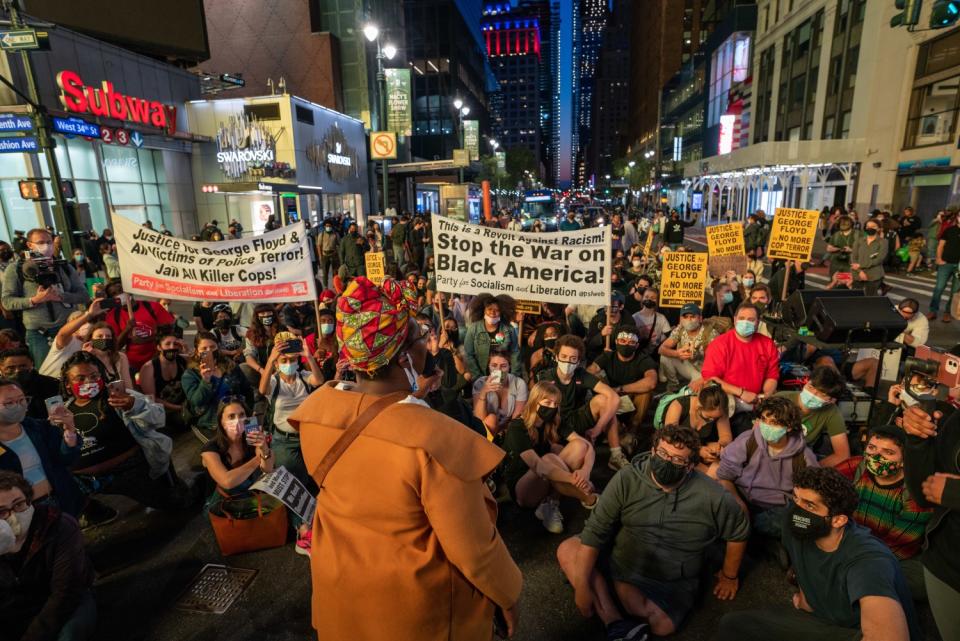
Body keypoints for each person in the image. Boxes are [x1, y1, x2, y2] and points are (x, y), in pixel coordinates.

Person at [287, 277, 522, 640]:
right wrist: (508, 593)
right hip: (414, 615)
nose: (427, 345)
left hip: (343, 600)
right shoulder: (433, 439)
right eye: (418, 338)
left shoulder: (317, 414)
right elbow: (473, 549)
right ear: (402, 355)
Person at [557, 425, 750, 638]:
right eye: (663, 453)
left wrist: (729, 576)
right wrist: (582, 586)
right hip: (624, 559)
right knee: (567, 550)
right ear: (652, 451)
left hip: (671, 576)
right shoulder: (627, 478)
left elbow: (738, 531)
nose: (667, 461)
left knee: (662, 626)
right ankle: (615, 623)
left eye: (677, 460)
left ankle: (605, 591)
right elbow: (596, 529)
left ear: (690, 467)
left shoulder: (713, 496)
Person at [716, 467, 922, 641]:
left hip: (855, 632)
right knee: (732, 625)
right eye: (796, 499)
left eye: (810, 505)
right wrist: (806, 595)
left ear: (839, 520)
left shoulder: (868, 560)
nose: (797, 510)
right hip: (820, 614)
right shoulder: (795, 523)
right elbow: (801, 562)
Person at [62, 351, 184, 517]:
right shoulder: (63, 411)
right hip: (86, 481)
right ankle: (95, 513)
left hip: (129, 471)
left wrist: (134, 405)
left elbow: (158, 417)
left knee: (177, 505)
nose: (89, 382)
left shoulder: (119, 396)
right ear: (68, 384)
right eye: (80, 378)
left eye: (94, 375)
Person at [835, 424, 933, 600]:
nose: (876, 456)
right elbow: (821, 489)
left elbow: (900, 543)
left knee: (918, 582)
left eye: (888, 452)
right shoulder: (857, 466)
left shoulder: (916, 492)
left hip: (890, 555)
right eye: (872, 448)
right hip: (845, 541)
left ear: (904, 460)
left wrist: (852, 557)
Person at [0, 470, 97, 641]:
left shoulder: (58, 526)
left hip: (62, 603)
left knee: (70, 634)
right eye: (1, 512)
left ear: (30, 501)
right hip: (15, 611)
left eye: (19, 505)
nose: (12, 517)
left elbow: (66, 591)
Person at [502, 381, 598, 534]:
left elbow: (587, 446)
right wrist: (575, 480)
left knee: (578, 446)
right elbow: (538, 466)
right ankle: (591, 501)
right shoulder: (517, 427)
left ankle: (550, 503)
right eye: (547, 402)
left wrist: (585, 472)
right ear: (534, 401)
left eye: (555, 404)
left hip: (547, 477)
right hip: (523, 489)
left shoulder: (553, 421)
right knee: (549, 458)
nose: (552, 407)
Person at [714, 396, 818, 537]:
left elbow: (812, 492)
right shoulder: (748, 440)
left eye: (774, 423)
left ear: (789, 427)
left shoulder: (803, 456)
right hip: (743, 498)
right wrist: (738, 503)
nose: (767, 426)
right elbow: (724, 477)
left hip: (778, 509)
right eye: (764, 419)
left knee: (797, 523)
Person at [901, 404, 960, 640]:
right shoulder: (955, 421)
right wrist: (917, 438)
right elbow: (924, 493)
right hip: (945, 567)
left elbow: (948, 490)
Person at [2, 228, 90, 365]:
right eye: (41, 242)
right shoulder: (16, 269)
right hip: (39, 334)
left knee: (78, 367)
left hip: (69, 327)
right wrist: (34, 300)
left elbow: (84, 295)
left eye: (49, 242)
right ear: (29, 245)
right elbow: (7, 301)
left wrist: (62, 296)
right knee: (46, 373)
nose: (46, 246)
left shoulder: (63, 266)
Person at [0, 379, 86, 517]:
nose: (19, 406)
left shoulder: (40, 428)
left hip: (63, 502)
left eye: (22, 400)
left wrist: (69, 429)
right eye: (9, 403)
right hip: (22, 514)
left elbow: (66, 459)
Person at [695, 303, 779, 425]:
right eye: (741, 318)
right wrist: (741, 393)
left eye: (751, 320)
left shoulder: (767, 344)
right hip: (726, 400)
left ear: (758, 322)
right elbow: (711, 378)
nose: (745, 322)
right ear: (734, 320)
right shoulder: (720, 344)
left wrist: (766, 396)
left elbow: (772, 375)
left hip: (756, 401)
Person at [587, 327, 658, 470]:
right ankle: (619, 434)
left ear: (637, 345)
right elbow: (589, 372)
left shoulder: (643, 358)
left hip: (631, 400)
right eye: (622, 340)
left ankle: (632, 431)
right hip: (610, 400)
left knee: (646, 394)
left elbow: (651, 381)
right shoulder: (608, 356)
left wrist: (620, 389)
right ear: (616, 341)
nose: (626, 344)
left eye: (630, 342)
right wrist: (605, 386)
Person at [258, 334, 322, 492]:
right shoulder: (274, 381)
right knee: (295, 480)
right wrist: (270, 360)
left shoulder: (304, 378)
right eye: (284, 361)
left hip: (307, 436)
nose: (289, 364)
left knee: (316, 474)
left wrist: (309, 357)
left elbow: (319, 381)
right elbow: (262, 389)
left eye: (292, 360)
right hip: (284, 441)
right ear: (277, 364)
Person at [538, 335, 619, 445]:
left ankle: (616, 454)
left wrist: (598, 428)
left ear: (578, 361)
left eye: (573, 358)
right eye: (564, 356)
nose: (567, 362)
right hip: (555, 420)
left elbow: (613, 397)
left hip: (578, 417)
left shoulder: (581, 374)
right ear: (556, 357)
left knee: (605, 400)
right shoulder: (546, 377)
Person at [199, 398, 273, 506]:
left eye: (242, 415)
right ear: (222, 422)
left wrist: (264, 447)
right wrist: (259, 458)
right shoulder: (210, 449)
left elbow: (268, 468)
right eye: (231, 416)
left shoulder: (251, 438)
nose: (238, 420)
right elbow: (227, 482)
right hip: (222, 503)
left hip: (248, 494)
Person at [182, 331, 253, 443]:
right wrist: (206, 381)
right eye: (204, 348)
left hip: (237, 417)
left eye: (212, 347)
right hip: (211, 424)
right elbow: (197, 401)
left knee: (253, 444)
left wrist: (249, 416)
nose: (209, 351)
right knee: (221, 451)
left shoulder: (231, 367)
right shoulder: (190, 374)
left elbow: (247, 391)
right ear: (197, 351)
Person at [776, 365, 850, 466]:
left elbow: (842, 455)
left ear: (832, 400)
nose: (812, 394)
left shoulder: (832, 412)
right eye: (810, 387)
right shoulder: (781, 399)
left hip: (802, 458)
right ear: (806, 382)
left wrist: (813, 469)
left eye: (821, 394)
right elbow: (757, 433)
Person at [100, 280, 176, 374]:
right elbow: (115, 346)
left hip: (158, 360)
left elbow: (170, 331)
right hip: (132, 365)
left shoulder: (153, 307)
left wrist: (148, 339)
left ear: (129, 290)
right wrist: (127, 329)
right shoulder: (113, 316)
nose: (119, 294)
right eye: (114, 293)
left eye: (121, 290)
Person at [851, 299, 928, 390]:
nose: (905, 318)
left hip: (903, 344)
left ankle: (905, 377)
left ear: (915, 314)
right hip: (882, 338)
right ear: (898, 309)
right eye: (903, 315)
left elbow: (918, 343)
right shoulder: (889, 311)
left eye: (907, 318)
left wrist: (899, 330)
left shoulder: (921, 319)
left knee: (915, 353)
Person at [661, 384, 733, 471]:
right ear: (699, 406)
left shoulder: (720, 410)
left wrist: (718, 447)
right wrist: (697, 450)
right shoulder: (678, 406)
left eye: (715, 418)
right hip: (676, 452)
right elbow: (669, 437)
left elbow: (726, 436)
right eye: (708, 417)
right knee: (712, 474)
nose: (712, 420)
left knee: (719, 471)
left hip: (700, 452)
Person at [137, 330, 188, 431]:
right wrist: (179, 408)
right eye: (167, 344)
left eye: (175, 344)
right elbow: (151, 399)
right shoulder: (149, 368)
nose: (172, 347)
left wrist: (186, 349)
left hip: (182, 406)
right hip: (161, 411)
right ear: (159, 347)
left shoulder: (182, 361)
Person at [658, 303, 715, 391]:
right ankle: (673, 387)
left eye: (692, 317)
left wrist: (697, 355)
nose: (689, 320)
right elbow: (661, 349)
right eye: (685, 317)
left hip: (703, 372)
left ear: (700, 318)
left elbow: (716, 362)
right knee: (665, 357)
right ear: (681, 319)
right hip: (687, 366)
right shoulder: (680, 329)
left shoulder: (710, 333)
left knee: (696, 391)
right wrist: (677, 353)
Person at [463, 293, 521, 378]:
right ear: (483, 310)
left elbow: (515, 353)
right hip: (481, 374)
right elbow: (468, 354)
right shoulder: (473, 329)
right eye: (489, 309)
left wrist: (513, 376)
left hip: (503, 375)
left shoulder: (510, 329)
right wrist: (478, 376)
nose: (493, 313)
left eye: (497, 310)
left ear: (501, 312)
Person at [472, 351, 528, 439]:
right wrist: (483, 393)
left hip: (508, 431)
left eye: (503, 366)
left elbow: (516, 420)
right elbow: (479, 421)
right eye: (494, 365)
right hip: (485, 433)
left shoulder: (519, 384)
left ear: (509, 367)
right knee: (491, 419)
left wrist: (504, 432)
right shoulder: (480, 383)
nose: (498, 370)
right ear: (488, 367)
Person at [1, 348, 60, 421]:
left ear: (31, 364)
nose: (17, 371)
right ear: (1, 367)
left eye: (22, 366)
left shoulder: (51, 384)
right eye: (11, 368)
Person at [850, 218, 887, 297]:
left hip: (874, 275)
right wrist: (860, 271)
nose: (870, 228)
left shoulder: (883, 242)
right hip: (857, 274)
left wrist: (861, 265)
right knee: (855, 297)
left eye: (873, 226)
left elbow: (879, 259)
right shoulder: (859, 240)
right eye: (868, 226)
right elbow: (854, 257)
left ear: (879, 228)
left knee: (870, 298)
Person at [628, 288, 670, 357]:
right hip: (637, 355)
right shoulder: (634, 318)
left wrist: (658, 341)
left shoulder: (661, 318)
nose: (649, 299)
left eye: (653, 298)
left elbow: (668, 334)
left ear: (657, 301)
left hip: (655, 355)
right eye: (646, 297)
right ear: (642, 298)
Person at [316, 220, 340, 287]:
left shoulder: (335, 234)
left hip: (333, 254)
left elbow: (339, 244)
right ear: (324, 226)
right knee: (325, 272)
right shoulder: (321, 234)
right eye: (327, 226)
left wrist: (338, 254)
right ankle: (325, 286)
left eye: (329, 226)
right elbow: (319, 246)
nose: (328, 227)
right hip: (325, 255)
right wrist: (320, 256)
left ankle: (335, 285)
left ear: (332, 226)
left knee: (335, 272)